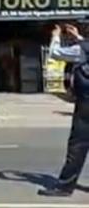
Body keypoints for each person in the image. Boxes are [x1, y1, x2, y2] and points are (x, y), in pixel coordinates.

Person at [38, 24, 89, 197]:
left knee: (77, 146)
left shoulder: (79, 50)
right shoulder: (83, 47)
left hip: (86, 104)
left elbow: (55, 53)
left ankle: (64, 186)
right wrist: (79, 38)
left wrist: (56, 36)